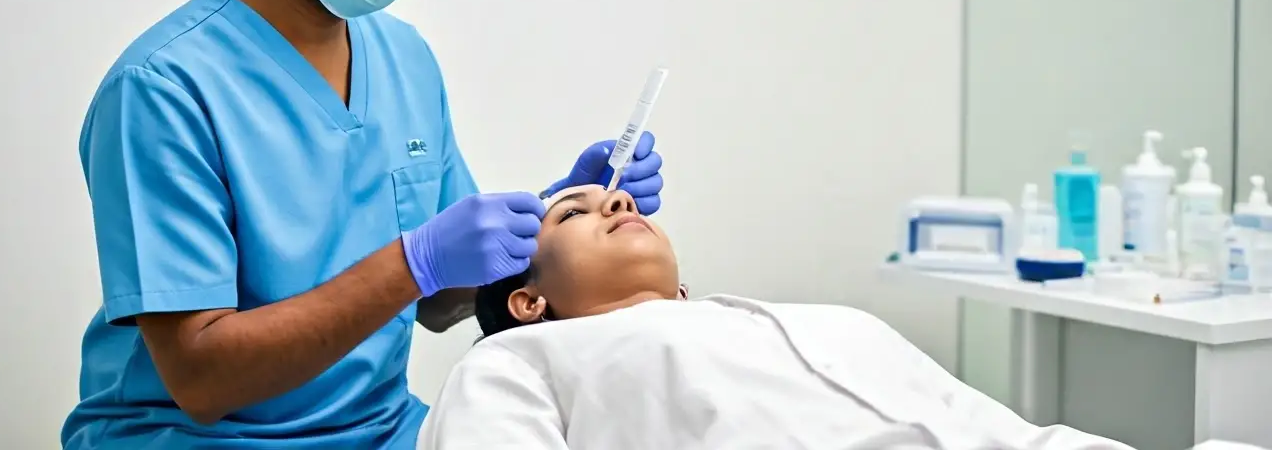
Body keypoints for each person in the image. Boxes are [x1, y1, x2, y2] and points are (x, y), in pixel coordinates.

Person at [60, 0, 666, 450]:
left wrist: (548, 225)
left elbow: (440, 301)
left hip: (383, 432)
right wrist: (415, 260)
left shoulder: (404, 58)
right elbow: (201, 378)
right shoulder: (162, 91)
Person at [419, 185, 1136, 450]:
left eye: (617, 200)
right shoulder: (515, 362)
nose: (619, 201)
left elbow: (999, 431)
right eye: (572, 212)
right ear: (528, 301)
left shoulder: (833, 325)